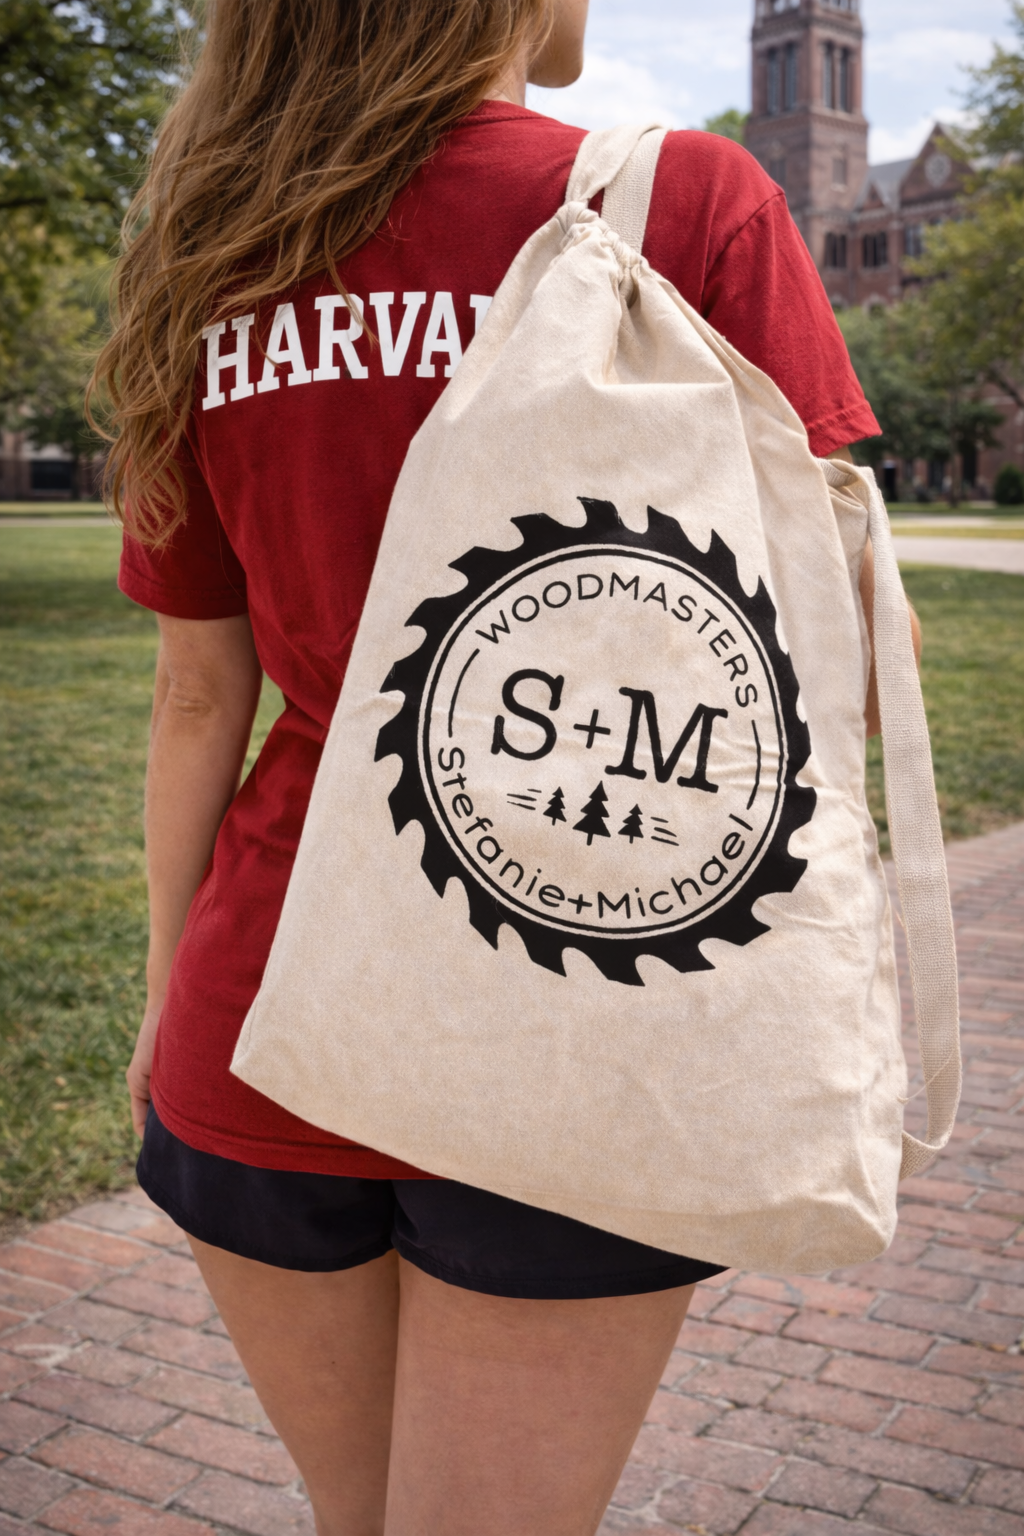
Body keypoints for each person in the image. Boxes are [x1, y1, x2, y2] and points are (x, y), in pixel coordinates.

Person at [94, 2, 886, 1531]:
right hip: (581, 1000)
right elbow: (830, 644)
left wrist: (161, 985)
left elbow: (199, 694)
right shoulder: (683, 204)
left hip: (263, 999)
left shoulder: (215, 261)